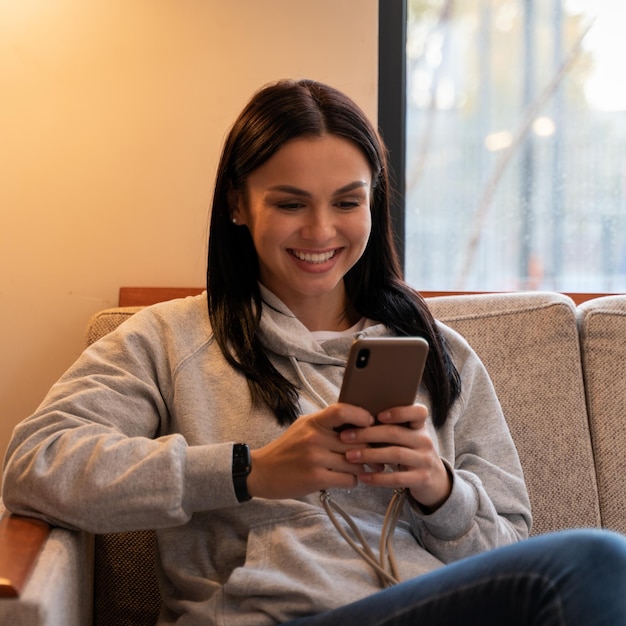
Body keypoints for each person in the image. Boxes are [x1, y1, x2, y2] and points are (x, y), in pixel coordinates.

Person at [3, 78, 626, 626]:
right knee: (599, 558)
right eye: (290, 203)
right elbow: (35, 463)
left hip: (423, 608)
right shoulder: (168, 339)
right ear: (237, 205)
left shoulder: (441, 354)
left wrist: (439, 489)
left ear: (374, 205)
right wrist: (249, 471)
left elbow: (511, 550)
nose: (322, 231)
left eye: (347, 202)